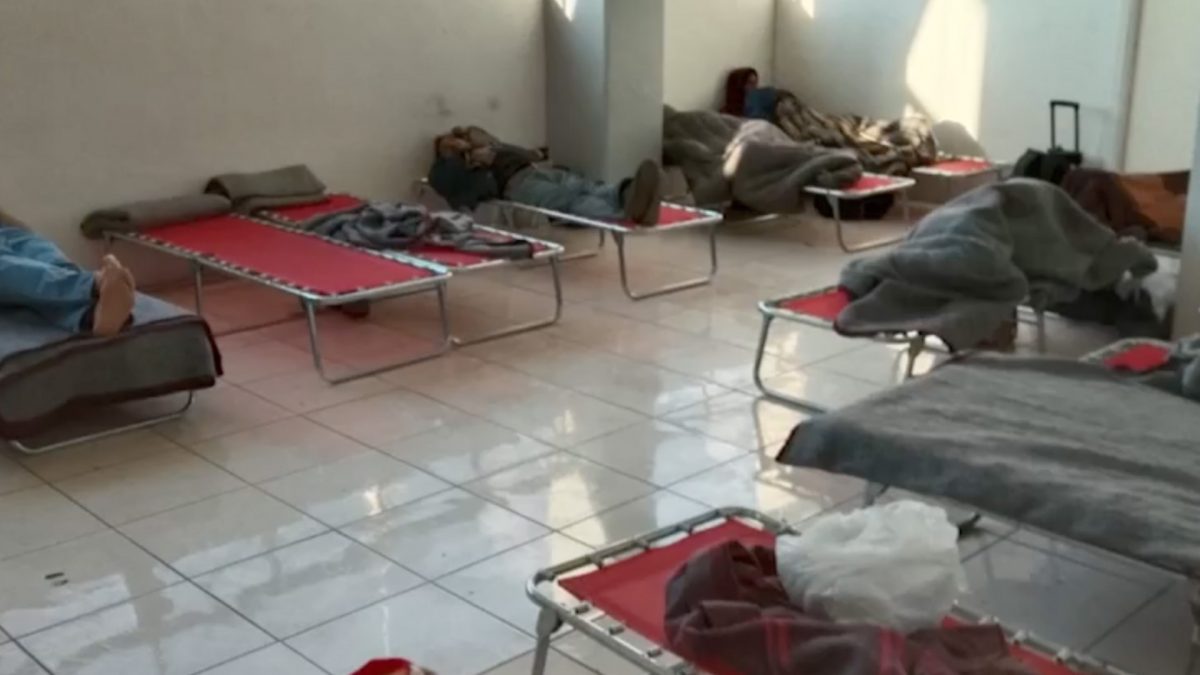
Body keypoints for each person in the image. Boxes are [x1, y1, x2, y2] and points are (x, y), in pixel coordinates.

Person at [428, 126, 663, 225]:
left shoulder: (493, 149)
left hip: (534, 171)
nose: (463, 140)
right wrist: (467, 159)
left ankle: (628, 192)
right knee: (569, 200)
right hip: (515, 187)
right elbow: (443, 182)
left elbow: (528, 154)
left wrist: (494, 146)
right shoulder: (446, 171)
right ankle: (624, 213)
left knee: (587, 186)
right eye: (453, 142)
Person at [0, 217, 135, 336]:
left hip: (9, 231)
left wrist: (22, 229)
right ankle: (94, 285)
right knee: (11, 272)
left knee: (46, 256)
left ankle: (94, 315)